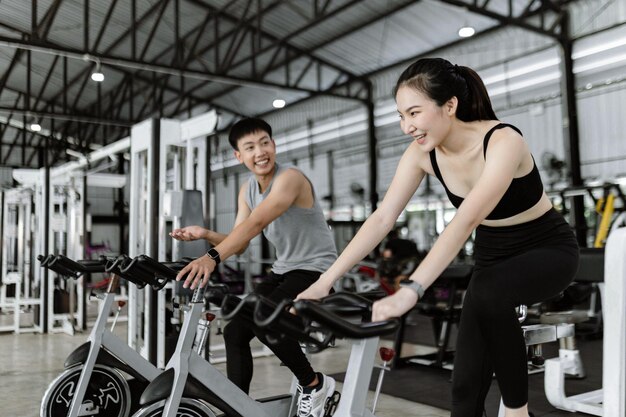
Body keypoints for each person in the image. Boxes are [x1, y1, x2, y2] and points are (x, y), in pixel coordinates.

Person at [296, 58, 579, 417]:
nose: (406, 126)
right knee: (463, 390)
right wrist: (326, 281)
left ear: (449, 105)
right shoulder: (421, 155)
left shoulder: (503, 139)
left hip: (547, 249)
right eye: (401, 116)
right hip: (492, 260)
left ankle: (518, 412)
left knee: (490, 290)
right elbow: (382, 218)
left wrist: (411, 290)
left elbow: (467, 219)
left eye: (414, 113)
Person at [171, 117, 338, 417]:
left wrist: (210, 257)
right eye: (250, 147)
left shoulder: (291, 178)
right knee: (235, 329)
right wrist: (206, 234)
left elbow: (258, 222)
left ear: (273, 145)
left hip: (316, 271)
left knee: (264, 319)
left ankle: (314, 384)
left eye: (265, 143)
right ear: (239, 156)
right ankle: (238, 408)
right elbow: (242, 241)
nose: (260, 151)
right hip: (284, 270)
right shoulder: (247, 189)